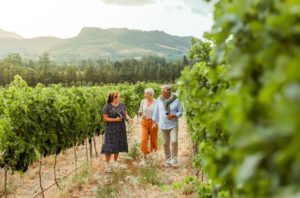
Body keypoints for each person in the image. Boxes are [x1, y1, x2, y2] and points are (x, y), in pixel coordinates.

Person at [101, 91, 133, 173]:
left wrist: (129, 119)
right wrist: (115, 119)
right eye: (118, 97)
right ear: (113, 98)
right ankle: (107, 165)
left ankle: (115, 162)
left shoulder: (122, 105)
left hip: (120, 128)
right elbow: (105, 118)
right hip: (110, 129)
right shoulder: (107, 106)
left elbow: (126, 114)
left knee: (117, 145)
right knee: (108, 147)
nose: (120, 98)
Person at [152, 85, 183, 167]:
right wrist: (154, 122)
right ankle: (168, 159)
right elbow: (156, 110)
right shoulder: (160, 99)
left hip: (173, 125)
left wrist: (174, 115)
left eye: (163, 92)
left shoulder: (176, 99)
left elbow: (181, 112)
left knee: (174, 141)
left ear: (168, 92)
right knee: (165, 143)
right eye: (161, 92)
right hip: (163, 125)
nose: (161, 93)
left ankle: (174, 159)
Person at [138, 88, 158, 162]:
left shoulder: (156, 102)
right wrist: (140, 113)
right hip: (145, 122)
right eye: (145, 93)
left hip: (153, 122)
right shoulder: (143, 101)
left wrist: (155, 122)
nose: (144, 95)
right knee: (143, 139)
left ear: (151, 94)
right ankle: (146, 154)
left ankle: (154, 154)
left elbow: (158, 113)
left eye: (146, 94)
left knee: (153, 140)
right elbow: (140, 111)